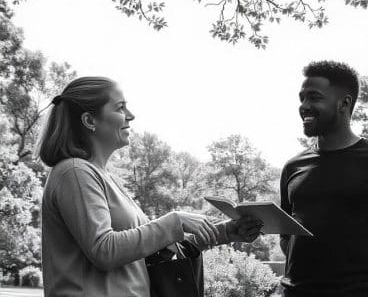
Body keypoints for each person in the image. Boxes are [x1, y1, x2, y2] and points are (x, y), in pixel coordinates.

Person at [38, 76, 263, 297]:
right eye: (120, 108)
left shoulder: (103, 177)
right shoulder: (75, 172)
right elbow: (103, 249)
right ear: (89, 121)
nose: (131, 115)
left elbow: (149, 250)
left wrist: (225, 232)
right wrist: (175, 221)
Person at [279, 60, 368, 297]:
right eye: (302, 98)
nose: (304, 106)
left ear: (344, 103)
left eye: (314, 97)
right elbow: (286, 235)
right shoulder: (292, 166)